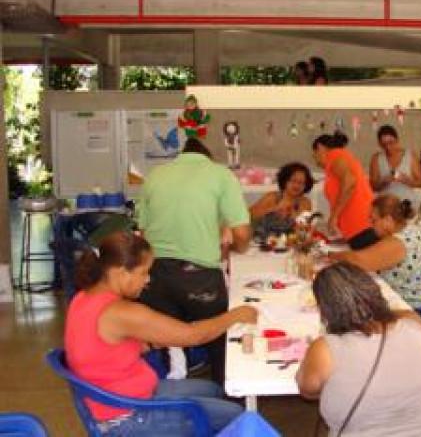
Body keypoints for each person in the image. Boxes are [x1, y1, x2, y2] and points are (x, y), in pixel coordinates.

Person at [64, 232, 258, 435]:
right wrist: (236, 315)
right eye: (143, 272)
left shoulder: (83, 298)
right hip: (128, 418)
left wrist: (157, 339)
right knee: (237, 415)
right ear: (122, 273)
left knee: (215, 390)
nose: (147, 280)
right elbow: (193, 336)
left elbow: (103, 351)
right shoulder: (119, 312)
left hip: (116, 397)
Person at [137, 137, 251, 384]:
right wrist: (239, 248)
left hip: (155, 275)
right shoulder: (220, 174)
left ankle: (173, 394)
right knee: (219, 336)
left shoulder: (155, 175)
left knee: (167, 340)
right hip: (199, 276)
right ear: (207, 157)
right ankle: (227, 397)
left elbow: (143, 235)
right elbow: (241, 233)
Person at [296, 262, 421, 437]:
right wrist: (376, 311)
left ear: (325, 310)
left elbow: (307, 389)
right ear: (373, 290)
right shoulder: (412, 323)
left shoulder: (324, 349)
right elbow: (398, 314)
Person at [329, 195, 421, 333]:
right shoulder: (412, 230)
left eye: (373, 220)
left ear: (387, 220)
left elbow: (359, 261)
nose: (371, 225)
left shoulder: (399, 242)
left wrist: (331, 255)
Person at [312, 132, 377, 250]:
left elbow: (349, 182)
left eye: (315, 154)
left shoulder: (334, 156)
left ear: (320, 148)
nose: (316, 160)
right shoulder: (342, 158)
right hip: (360, 226)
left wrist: (334, 216)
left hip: (361, 225)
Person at [249, 162, 314, 241]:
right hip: (262, 241)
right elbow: (250, 214)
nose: (296, 186)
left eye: (301, 183)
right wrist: (274, 208)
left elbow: (304, 228)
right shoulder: (272, 197)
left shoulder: (305, 202)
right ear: (285, 180)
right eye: (293, 181)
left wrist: (292, 213)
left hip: (290, 242)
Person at [369, 125, 421, 209]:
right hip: (385, 207)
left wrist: (407, 180)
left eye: (391, 143)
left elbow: (420, 183)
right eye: (384, 144)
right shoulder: (376, 158)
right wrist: (384, 182)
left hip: (406, 205)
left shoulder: (410, 156)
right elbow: (373, 187)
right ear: (379, 144)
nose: (388, 147)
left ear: (397, 140)